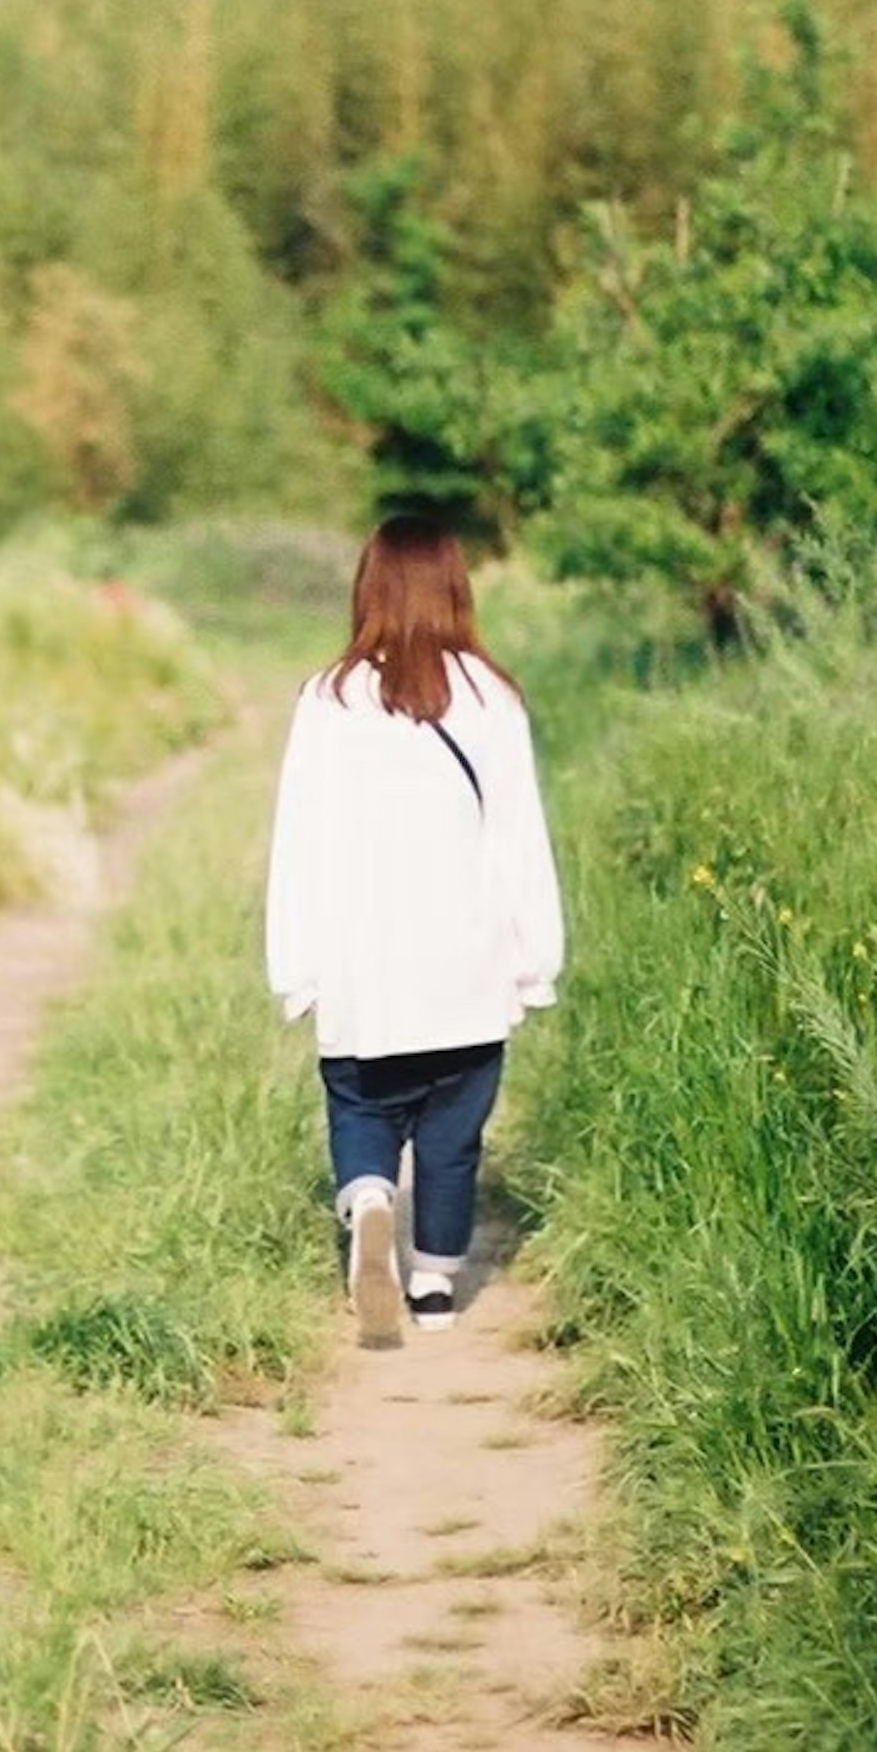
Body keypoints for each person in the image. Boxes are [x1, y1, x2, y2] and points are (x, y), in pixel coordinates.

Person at [264, 517, 565, 1346]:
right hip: (464, 961)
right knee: (452, 1131)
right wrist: (534, 958)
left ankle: (367, 1199)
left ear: (367, 589)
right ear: (456, 588)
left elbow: (300, 838)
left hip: (364, 963)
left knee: (362, 1107)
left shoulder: (329, 699)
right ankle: (433, 1280)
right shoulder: (490, 697)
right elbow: (515, 836)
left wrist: (297, 965)